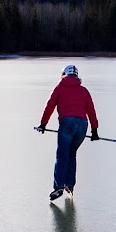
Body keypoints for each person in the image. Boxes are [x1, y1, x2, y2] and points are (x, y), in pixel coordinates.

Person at [38, 64, 98, 201]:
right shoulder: (84, 91)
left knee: (62, 155)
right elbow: (91, 110)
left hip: (67, 124)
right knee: (72, 154)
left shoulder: (59, 89)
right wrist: (94, 130)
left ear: (63, 75)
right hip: (83, 125)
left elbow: (50, 106)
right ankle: (70, 185)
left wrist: (43, 124)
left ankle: (59, 186)